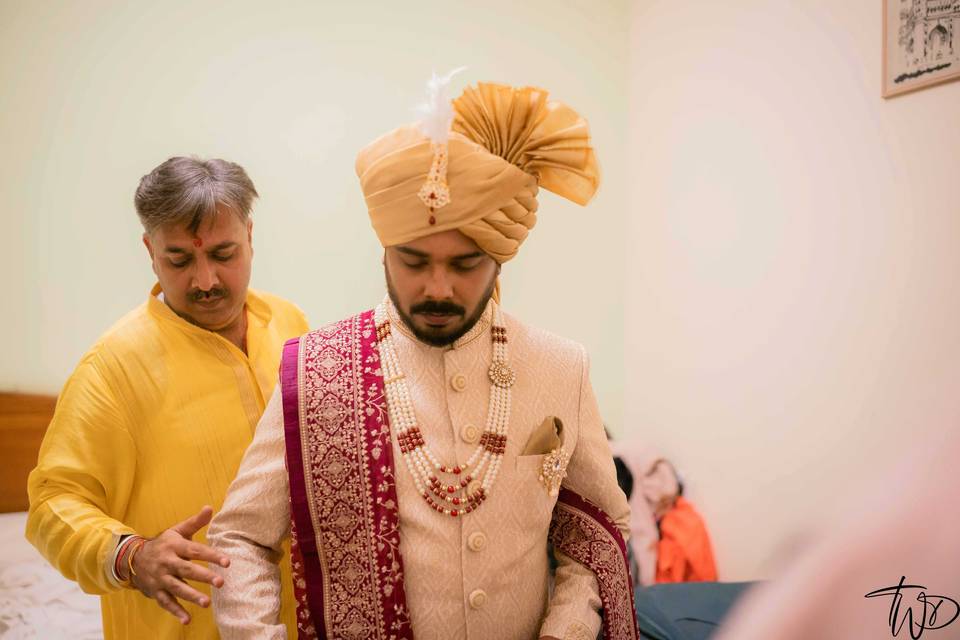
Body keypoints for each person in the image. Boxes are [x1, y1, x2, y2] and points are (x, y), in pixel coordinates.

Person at [208, 76, 638, 640]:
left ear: (501, 262)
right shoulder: (316, 372)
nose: (438, 288)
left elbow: (595, 534)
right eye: (413, 261)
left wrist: (566, 632)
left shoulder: (561, 367)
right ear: (383, 250)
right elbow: (241, 538)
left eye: (464, 265)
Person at [26, 157, 308, 638]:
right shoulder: (113, 369)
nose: (206, 281)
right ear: (149, 250)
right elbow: (53, 503)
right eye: (179, 259)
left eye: (224, 254)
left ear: (251, 236)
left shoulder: (289, 326)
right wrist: (129, 555)